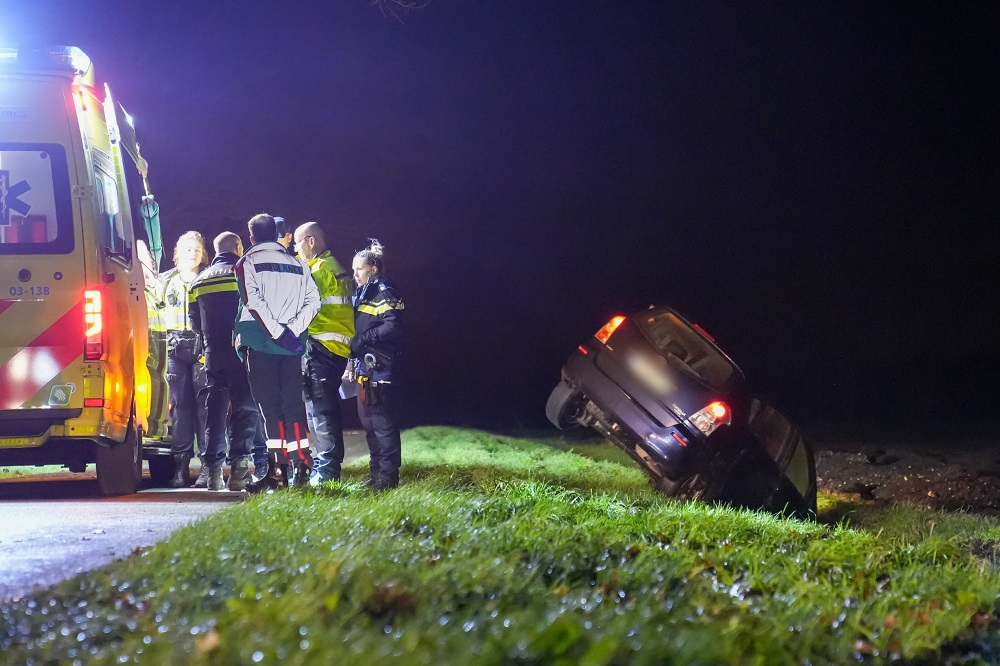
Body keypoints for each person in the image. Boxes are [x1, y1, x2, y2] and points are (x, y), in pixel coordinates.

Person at [235, 214, 320, 492]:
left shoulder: (246, 262)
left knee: (269, 408)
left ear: (251, 238)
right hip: (292, 346)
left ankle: (277, 472)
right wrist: (292, 330)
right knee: (293, 404)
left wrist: (277, 332)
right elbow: (314, 302)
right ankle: (302, 465)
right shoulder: (299, 264)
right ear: (276, 234)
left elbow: (253, 302)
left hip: (261, 342)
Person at [189, 232, 261, 491]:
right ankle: (239, 471)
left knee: (215, 410)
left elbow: (194, 322)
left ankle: (213, 473)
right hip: (242, 350)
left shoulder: (198, 281)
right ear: (238, 247)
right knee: (245, 408)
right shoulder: (246, 272)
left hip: (213, 353)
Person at [293, 222, 355, 485]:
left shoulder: (320, 271)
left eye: (297, 243)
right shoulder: (330, 266)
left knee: (321, 412)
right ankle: (324, 467)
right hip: (331, 348)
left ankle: (327, 471)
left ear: (311, 241)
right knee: (318, 411)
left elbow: (298, 303)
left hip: (322, 348)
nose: (295, 250)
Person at [344, 239, 404, 489]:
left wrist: (364, 339)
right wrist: (351, 361)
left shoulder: (384, 291)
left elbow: (393, 326)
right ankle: (376, 472)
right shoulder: (361, 292)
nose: (355, 274)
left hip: (381, 365)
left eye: (359, 269)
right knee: (368, 422)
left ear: (374, 269)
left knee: (382, 422)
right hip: (364, 366)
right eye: (354, 269)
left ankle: (388, 477)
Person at [161, 231, 210, 487]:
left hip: (202, 347)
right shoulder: (164, 282)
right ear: (177, 253)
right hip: (174, 348)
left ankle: (207, 467)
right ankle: (180, 467)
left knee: (205, 409)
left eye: (197, 250)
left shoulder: (209, 278)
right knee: (180, 408)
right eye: (188, 249)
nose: (193, 254)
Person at [136, 240, 170, 442]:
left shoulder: (158, 284)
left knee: (156, 379)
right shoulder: (135, 284)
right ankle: (147, 425)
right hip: (140, 333)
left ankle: (155, 428)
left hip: (157, 334)